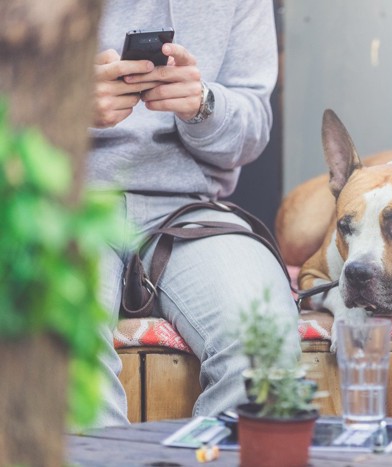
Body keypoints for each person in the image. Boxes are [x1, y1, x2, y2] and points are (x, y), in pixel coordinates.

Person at [89, 0, 300, 427]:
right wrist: (65, 107)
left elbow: (254, 129)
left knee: (265, 343)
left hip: (191, 210)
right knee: (59, 352)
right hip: (62, 202)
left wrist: (204, 105)